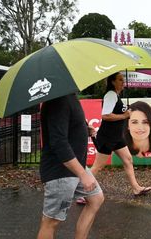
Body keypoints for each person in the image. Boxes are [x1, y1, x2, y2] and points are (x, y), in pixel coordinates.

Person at [37, 93, 104, 239]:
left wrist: (85, 131)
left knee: (95, 199)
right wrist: (82, 174)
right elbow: (58, 142)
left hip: (75, 167)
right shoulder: (58, 100)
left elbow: (66, 129)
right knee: (51, 222)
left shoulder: (69, 97)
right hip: (61, 171)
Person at [89, 72, 151, 197]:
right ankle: (81, 193)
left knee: (128, 159)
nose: (123, 82)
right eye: (120, 80)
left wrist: (126, 112)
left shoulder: (116, 96)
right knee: (97, 167)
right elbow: (106, 115)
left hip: (116, 137)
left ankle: (136, 188)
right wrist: (125, 115)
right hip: (107, 137)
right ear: (112, 82)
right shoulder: (110, 95)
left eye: (123, 80)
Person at [112, 101, 151, 165]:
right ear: (127, 126)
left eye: (145, 122)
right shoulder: (118, 155)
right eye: (134, 122)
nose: (140, 127)